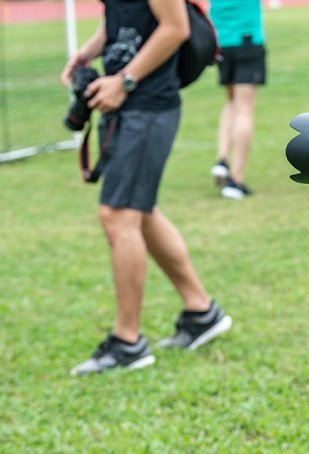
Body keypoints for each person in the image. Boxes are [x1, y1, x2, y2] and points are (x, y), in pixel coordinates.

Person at [61, 0, 232, 375]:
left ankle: (128, 343)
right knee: (141, 211)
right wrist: (87, 53)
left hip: (147, 105)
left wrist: (124, 81)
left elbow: (175, 28)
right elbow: (124, 19)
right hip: (126, 103)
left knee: (117, 215)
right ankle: (201, 311)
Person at [209, 0, 267, 199]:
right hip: (247, 41)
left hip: (223, 44)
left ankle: (222, 159)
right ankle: (236, 179)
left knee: (232, 102)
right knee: (244, 108)